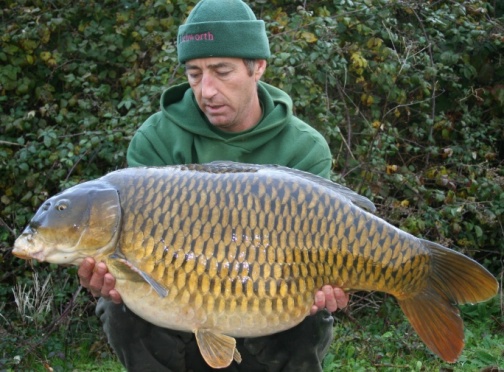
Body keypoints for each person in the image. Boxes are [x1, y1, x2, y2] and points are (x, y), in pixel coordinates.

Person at [78, 0, 349, 370]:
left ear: (258, 67)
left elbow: (322, 245)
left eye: (222, 71)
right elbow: (132, 251)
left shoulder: (304, 148)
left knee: (310, 316)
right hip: (175, 298)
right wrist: (109, 275)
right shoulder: (155, 140)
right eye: (194, 73)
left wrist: (327, 282)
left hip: (269, 298)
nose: (206, 90)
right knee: (118, 304)